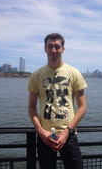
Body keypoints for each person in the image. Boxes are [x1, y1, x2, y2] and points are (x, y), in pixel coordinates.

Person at [28, 33, 87, 169]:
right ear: (45, 49)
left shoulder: (74, 73)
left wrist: (67, 131)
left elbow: (82, 107)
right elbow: (31, 107)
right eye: (50, 46)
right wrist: (41, 132)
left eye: (57, 47)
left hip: (69, 134)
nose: (53, 50)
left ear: (63, 49)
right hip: (45, 136)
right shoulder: (36, 75)